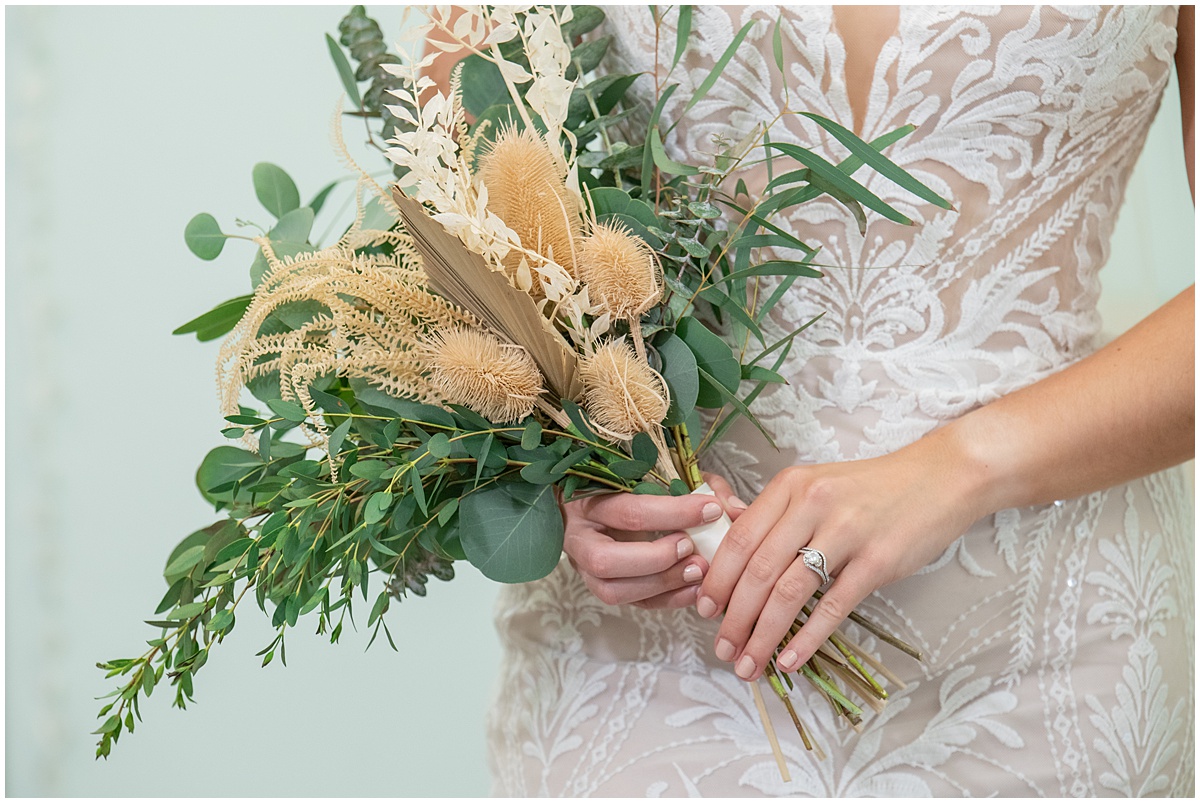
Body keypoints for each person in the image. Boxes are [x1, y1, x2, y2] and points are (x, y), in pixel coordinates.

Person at [457, 6, 1194, 796]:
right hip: (652, 635)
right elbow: (457, 223)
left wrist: (965, 465)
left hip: (1052, 645)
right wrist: (563, 462)